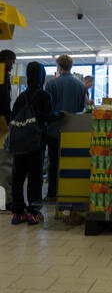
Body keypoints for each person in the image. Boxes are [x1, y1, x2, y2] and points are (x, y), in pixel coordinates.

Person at [11, 62, 63, 225]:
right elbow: (47, 116)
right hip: (35, 142)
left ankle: (18, 213)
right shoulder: (44, 95)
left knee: (18, 177)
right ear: (41, 75)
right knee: (35, 177)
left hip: (19, 143)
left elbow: (14, 116)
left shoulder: (21, 97)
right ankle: (33, 212)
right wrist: (60, 114)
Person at [45, 55, 86, 200]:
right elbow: (82, 109)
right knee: (72, 162)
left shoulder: (51, 85)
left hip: (54, 131)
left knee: (54, 163)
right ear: (71, 66)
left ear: (59, 67)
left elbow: (48, 110)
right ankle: (71, 193)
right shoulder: (81, 86)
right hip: (74, 132)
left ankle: (52, 194)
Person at [0, 50, 16, 125]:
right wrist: (8, 116)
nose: (12, 66)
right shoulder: (3, 73)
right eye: (12, 62)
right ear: (6, 59)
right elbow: (4, 96)